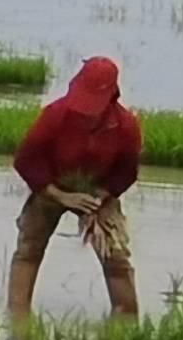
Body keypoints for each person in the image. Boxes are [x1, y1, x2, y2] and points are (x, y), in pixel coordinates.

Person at [8, 55, 143, 323]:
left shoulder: (126, 126)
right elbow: (26, 160)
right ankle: (17, 319)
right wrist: (59, 195)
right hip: (53, 185)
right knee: (28, 249)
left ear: (111, 97)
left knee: (116, 258)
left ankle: (127, 323)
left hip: (97, 191)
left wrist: (102, 195)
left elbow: (126, 172)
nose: (85, 114)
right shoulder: (55, 115)